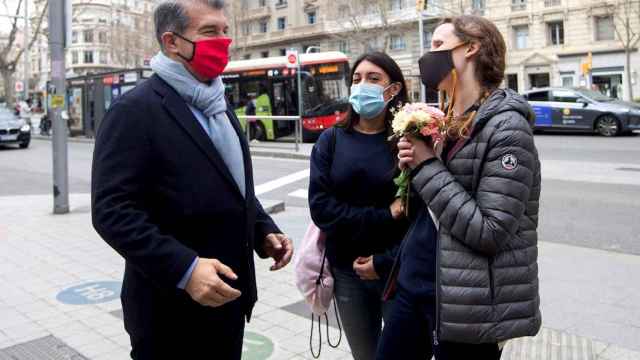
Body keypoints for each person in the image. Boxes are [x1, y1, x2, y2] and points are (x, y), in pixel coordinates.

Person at [91, 1, 293, 359]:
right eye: (210, 32)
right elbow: (112, 211)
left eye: (226, 31)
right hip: (170, 314)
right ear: (172, 42)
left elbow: (231, 185)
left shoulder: (217, 102)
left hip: (227, 300)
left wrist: (262, 228)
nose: (224, 41)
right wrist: (184, 268)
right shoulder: (134, 110)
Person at [377, 15, 541, 359]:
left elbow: (490, 230)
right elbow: (434, 209)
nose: (428, 55)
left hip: (466, 308)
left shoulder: (508, 129)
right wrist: (413, 166)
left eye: (438, 45)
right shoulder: (446, 120)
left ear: (471, 48)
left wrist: (426, 165)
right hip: (415, 286)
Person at [308, 52, 410, 360]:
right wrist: (384, 214)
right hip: (347, 273)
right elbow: (322, 209)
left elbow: (416, 214)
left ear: (393, 90)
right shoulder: (331, 140)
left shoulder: (407, 140)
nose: (361, 85)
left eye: (373, 78)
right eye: (356, 79)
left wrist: (382, 260)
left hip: (397, 270)